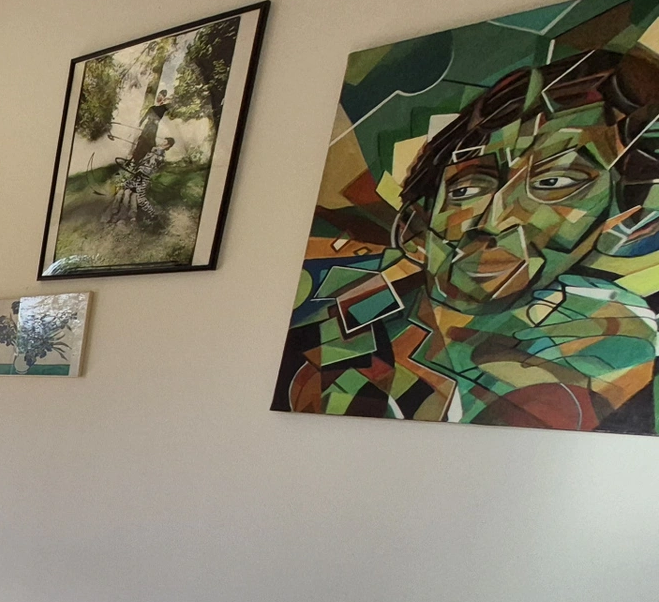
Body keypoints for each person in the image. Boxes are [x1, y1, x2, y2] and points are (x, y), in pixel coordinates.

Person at [280, 50, 659, 432]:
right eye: (467, 188)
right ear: (419, 216)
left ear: (626, 223)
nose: (492, 220)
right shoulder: (336, 289)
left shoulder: (608, 331)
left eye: (554, 183)